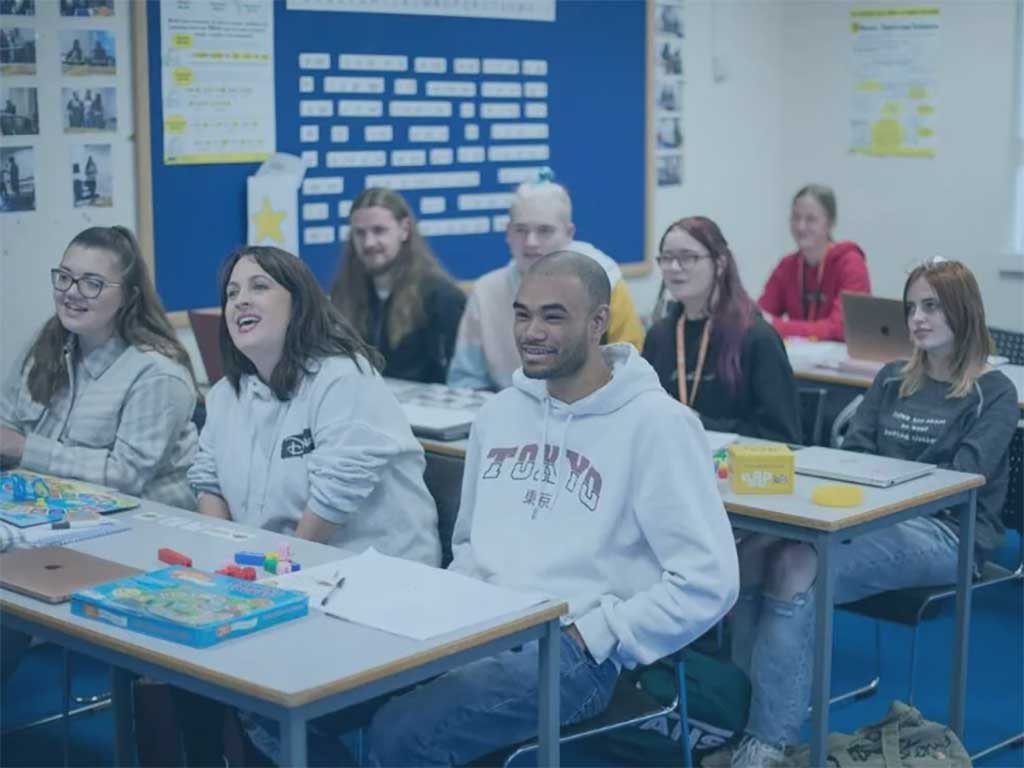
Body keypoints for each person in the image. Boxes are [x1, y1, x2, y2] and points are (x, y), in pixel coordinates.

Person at [368, 250, 739, 766]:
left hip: (575, 654)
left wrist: (601, 633)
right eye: (522, 314)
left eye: (553, 316)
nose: (531, 331)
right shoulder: (498, 414)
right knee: (330, 697)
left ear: (598, 323)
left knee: (397, 736)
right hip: (480, 623)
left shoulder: (659, 425)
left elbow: (709, 581)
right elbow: (470, 544)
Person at [729, 259, 1017, 768]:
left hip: (948, 534)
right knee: (752, 555)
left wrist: (888, 480)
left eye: (931, 306)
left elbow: (962, 479)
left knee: (796, 566)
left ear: (963, 311)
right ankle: (742, 722)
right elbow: (854, 454)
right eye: (911, 308)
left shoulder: (992, 391)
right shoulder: (891, 379)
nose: (918, 318)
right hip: (873, 519)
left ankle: (769, 742)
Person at [177, 246, 441, 765]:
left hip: (369, 586)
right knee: (185, 665)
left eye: (258, 287)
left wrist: (261, 582)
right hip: (281, 579)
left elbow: (334, 494)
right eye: (231, 293)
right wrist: (229, 564)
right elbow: (207, 478)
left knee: (248, 679)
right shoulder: (229, 394)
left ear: (299, 304)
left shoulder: (343, 378)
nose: (239, 302)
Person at [1, 225, 199, 685]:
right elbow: (11, 422)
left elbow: (124, 475)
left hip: (137, 529)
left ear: (128, 296)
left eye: (92, 283)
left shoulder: (156, 371)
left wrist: (24, 449)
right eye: (64, 278)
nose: (72, 293)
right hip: (52, 516)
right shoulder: (50, 343)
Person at [448, 177, 646, 391]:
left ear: (569, 233)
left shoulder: (606, 283)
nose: (531, 242)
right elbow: (465, 381)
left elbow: (632, 372)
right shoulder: (486, 292)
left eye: (544, 231)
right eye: (521, 230)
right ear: (507, 232)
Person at [643, 216, 800, 443]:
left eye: (688, 257)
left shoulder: (757, 338)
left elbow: (782, 436)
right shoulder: (659, 336)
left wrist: (700, 425)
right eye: (667, 258)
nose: (674, 267)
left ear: (720, 263)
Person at [329, 187, 466, 384]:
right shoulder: (344, 293)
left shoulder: (442, 297)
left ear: (404, 229)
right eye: (360, 233)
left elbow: (456, 376)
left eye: (379, 231)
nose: (369, 243)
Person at [758, 184, 870, 341]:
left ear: (830, 223)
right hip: (800, 360)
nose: (800, 226)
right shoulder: (787, 265)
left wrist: (777, 325)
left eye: (810, 219)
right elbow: (759, 317)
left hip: (840, 360)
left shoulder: (850, 263)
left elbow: (841, 328)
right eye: (795, 217)